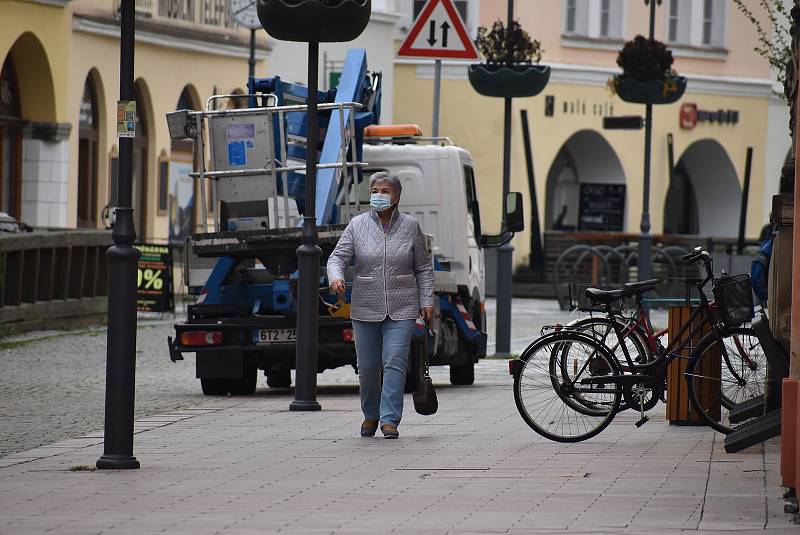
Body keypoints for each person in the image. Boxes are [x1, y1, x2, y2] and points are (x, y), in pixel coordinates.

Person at [327, 171, 434, 439]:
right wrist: (336, 277)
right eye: (375, 190)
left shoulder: (410, 226)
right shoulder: (357, 225)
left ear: (397, 197)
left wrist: (427, 300)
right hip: (365, 307)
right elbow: (337, 257)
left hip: (403, 307)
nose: (379, 195)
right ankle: (370, 414)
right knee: (368, 367)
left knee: (395, 362)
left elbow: (423, 267)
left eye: (385, 191)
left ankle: (389, 420)